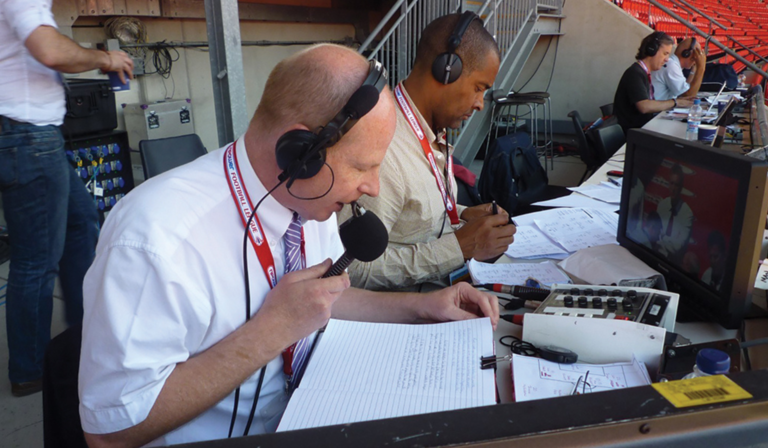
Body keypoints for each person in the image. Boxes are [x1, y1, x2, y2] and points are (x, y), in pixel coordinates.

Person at [78, 44, 499, 448]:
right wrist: (271, 330)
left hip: (315, 414)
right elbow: (111, 432)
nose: (371, 187)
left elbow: (320, 301)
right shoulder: (156, 240)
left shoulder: (308, 200)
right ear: (301, 150)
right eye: (361, 167)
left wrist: (421, 307)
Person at [0, 0, 133, 397]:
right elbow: (51, 50)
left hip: (34, 138)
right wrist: (105, 58)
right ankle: (31, 369)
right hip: (27, 136)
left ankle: (83, 337)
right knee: (36, 259)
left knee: (81, 224)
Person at [338, 12, 516, 292]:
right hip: (404, 316)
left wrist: (464, 214)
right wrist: (459, 247)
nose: (481, 103)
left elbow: (410, 216)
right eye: (479, 88)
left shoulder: (430, 131)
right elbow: (353, 268)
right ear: (447, 71)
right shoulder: (384, 152)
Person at [614, 31, 695, 135]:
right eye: (665, 54)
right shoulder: (635, 73)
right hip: (632, 135)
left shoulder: (644, 73)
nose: (666, 59)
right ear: (651, 50)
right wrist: (675, 102)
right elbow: (644, 106)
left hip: (642, 129)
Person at [656, 164, 694, 265]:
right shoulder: (662, 205)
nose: (673, 188)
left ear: (681, 187)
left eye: (676, 185)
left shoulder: (687, 214)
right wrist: (667, 241)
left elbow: (677, 248)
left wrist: (661, 239)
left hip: (674, 264)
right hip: (657, 257)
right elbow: (655, 235)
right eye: (671, 184)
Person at [651, 37, 707, 101]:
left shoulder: (674, 64)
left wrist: (694, 68)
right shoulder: (671, 65)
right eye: (695, 56)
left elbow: (686, 88)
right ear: (686, 53)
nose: (696, 59)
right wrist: (701, 67)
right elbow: (688, 96)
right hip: (657, 109)